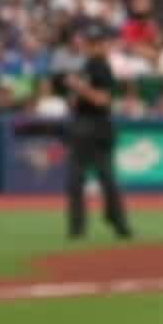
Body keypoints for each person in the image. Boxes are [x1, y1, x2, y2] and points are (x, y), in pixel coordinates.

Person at [57, 26, 133, 241]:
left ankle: (117, 223)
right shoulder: (87, 66)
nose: (90, 46)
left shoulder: (102, 67)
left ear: (101, 45)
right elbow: (78, 99)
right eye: (89, 42)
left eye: (94, 43)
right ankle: (80, 228)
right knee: (81, 179)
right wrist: (75, 93)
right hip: (83, 124)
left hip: (97, 125)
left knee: (104, 178)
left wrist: (78, 87)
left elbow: (103, 100)